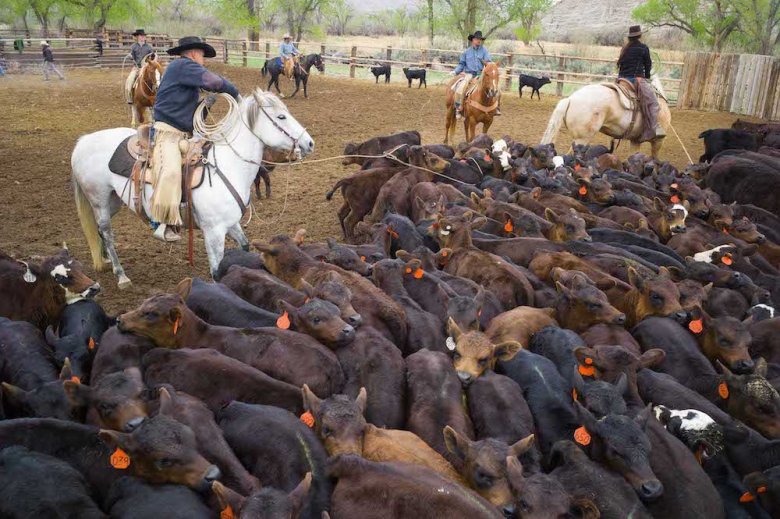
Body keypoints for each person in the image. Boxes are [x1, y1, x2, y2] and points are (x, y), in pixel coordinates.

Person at [149, 36, 240, 242]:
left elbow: (190, 114)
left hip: (184, 134)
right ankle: (162, 222)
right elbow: (214, 81)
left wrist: (205, 105)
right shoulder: (182, 65)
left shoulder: (183, 73)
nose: (203, 60)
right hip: (167, 133)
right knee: (171, 171)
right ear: (192, 53)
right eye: (202, 55)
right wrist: (235, 93)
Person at [617, 25, 665, 141]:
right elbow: (648, 65)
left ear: (630, 36)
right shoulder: (643, 48)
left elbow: (620, 64)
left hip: (622, 79)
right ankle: (654, 128)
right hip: (636, 80)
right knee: (653, 103)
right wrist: (647, 77)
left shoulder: (625, 48)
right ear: (639, 36)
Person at [451, 30, 500, 119]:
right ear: (472, 40)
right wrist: (455, 71)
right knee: (460, 88)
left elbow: (488, 62)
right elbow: (461, 64)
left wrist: (491, 67)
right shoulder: (466, 52)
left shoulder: (484, 51)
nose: (479, 40)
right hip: (469, 74)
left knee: (496, 88)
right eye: (477, 39)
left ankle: (496, 107)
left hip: (481, 74)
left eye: (480, 39)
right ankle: (458, 108)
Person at [125, 29, 153, 104]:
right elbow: (132, 56)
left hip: (146, 68)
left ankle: (155, 97)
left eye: (143, 36)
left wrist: (153, 58)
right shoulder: (133, 47)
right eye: (141, 35)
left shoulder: (149, 47)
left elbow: (152, 57)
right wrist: (130, 56)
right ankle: (129, 96)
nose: (143, 37)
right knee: (130, 80)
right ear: (137, 37)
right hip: (137, 67)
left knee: (155, 79)